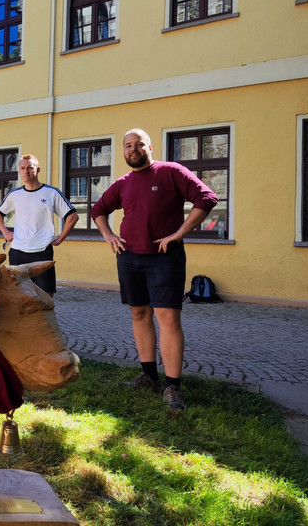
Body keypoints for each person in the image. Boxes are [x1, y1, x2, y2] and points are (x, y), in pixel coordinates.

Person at [91, 128, 218, 412]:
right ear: (123, 151)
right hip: (129, 257)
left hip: (165, 258)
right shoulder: (123, 183)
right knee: (139, 313)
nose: (132, 149)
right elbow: (98, 209)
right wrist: (109, 236)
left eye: (138, 144)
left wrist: (179, 233)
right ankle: (149, 376)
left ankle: (173, 386)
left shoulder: (171, 171)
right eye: (127, 146)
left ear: (150, 148)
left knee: (168, 318)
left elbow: (206, 198)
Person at [0, 154, 78, 296]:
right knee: (18, 295)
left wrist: (60, 238)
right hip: (18, 251)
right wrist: (5, 232)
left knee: (46, 295)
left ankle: (44, 319)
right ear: (19, 171)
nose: (26, 171)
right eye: (23, 168)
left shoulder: (51, 193)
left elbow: (72, 216)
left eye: (30, 168)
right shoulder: (14, 194)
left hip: (42, 251)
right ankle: (21, 319)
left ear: (37, 170)